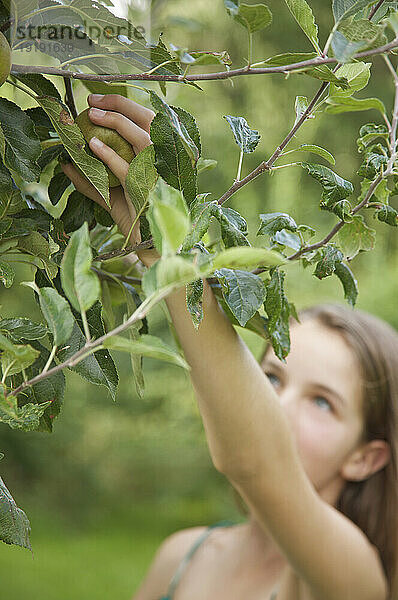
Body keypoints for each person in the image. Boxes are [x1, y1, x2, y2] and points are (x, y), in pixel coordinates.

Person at [60, 93, 398, 600]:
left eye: (322, 402)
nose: (278, 405)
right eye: (270, 378)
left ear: (365, 459)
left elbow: (255, 461)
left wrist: (166, 246)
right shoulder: (182, 556)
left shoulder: (353, 580)